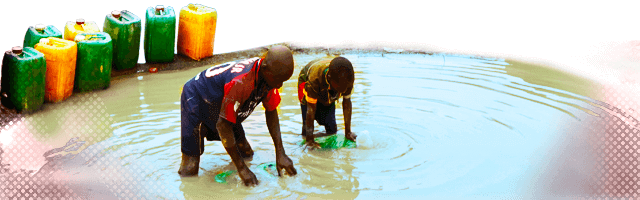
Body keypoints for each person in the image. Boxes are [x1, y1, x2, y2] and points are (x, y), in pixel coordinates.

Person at [178, 45, 297, 186]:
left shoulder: (269, 76)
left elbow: (271, 111)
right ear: (265, 69)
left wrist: (280, 152)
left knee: (246, 153)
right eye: (278, 80)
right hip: (197, 98)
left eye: (283, 81)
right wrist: (241, 169)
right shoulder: (241, 82)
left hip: (223, 100)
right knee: (190, 169)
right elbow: (223, 125)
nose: (279, 85)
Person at [298, 56, 356, 148]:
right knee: (307, 127)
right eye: (340, 88)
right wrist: (310, 140)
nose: (344, 91)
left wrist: (348, 132)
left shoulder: (347, 80)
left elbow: (347, 104)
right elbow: (310, 110)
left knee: (332, 128)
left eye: (345, 88)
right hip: (306, 79)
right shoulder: (315, 79)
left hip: (329, 85)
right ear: (329, 78)